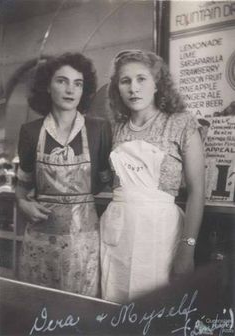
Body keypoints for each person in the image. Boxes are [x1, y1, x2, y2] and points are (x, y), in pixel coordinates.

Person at [100, 50, 205, 303]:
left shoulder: (182, 123)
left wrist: (187, 248)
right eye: (125, 81)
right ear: (117, 88)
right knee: (114, 308)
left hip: (161, 234)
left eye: (141, 79)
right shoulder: (113, 128)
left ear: (157, 83)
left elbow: (197, 191)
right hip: (117, 232)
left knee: (155, 310)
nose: (133, 88)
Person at [16, 52, 112, 297]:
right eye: (62, 81)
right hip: (40, 238)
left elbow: (104, 182)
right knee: (37, 309)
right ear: (47, 87)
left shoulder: (99, 129)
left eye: (77, 83)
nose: (70, 90)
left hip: (84, 240)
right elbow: (22, 187)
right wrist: (23, 204)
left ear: (84, 89)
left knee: (78, 312)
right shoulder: (30, 132)